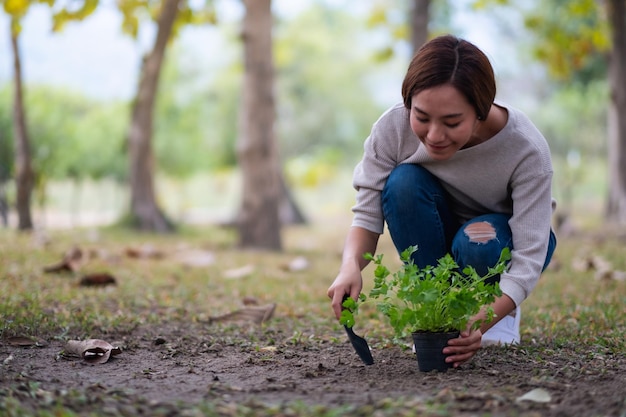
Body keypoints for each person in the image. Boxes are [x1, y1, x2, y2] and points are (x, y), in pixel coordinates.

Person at [327, 34, 557, 368]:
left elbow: (530, 255)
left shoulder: (525, 148)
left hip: (497, 242)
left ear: (480, 111)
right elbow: (367, 210)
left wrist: (481, 321)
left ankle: (494, 307)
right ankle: (443, 308)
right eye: (421, 117)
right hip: (437, 227)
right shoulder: (392, 128)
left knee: (477, 240)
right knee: (402, 182)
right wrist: (350, 265)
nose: (434, 135)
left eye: (452, 122)